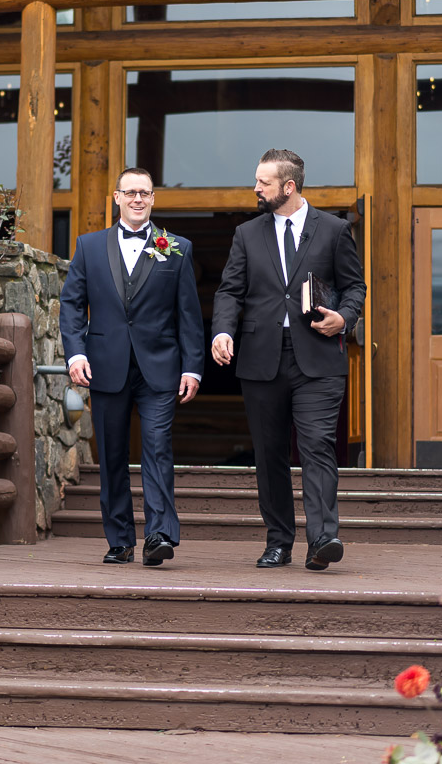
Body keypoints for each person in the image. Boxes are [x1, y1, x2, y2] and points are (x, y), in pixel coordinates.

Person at [211, 149, 365, 571]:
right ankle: (279, 541)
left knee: (317, 446)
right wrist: (223, 330)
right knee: (270, 453)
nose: (256, 188)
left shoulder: (333, 230)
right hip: (262, 360)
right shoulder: (246, 234)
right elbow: (229, 291)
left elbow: (355, 288)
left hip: (317, 357)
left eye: (263, 182)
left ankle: (323, 539)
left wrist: (344, 318)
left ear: (289, 186)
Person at [60, 167, 206, 567]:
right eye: (131, 192)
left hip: (160, 366)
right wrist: (76, 354)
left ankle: (159, 534)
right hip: (105, 365)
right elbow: (72, 304)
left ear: (154, 198)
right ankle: (120, 539)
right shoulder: (88, 246)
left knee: (158, 448)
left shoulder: (175, 247)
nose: (138, 199)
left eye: (145, 192)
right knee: (111, 455)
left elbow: (188, 313)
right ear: (117, 197)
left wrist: (193, 367)